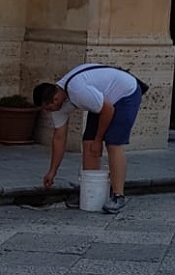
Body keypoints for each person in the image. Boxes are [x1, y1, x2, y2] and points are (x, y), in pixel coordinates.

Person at [32, 63, 145, 213]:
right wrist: (52, 171)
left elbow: (108, 110)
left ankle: (118, 196)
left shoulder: (77, 90)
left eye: (48, 108)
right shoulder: (58, 104)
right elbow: (59, 138)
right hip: (104, 98)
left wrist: (99, 140)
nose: (47, 112)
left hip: (126, 94)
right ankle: (90, 191)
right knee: (88, 142)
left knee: (113, 142)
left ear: (55, 99)